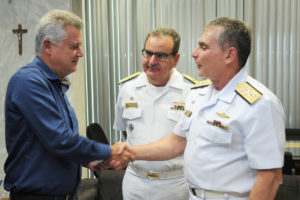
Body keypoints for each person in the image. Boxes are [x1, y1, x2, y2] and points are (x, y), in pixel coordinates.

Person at [116, 17, 286, 200]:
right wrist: (127, 152)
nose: (194, 53)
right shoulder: (198, 94)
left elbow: (270, 178)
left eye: (203, 47)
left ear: (229, 55)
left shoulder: (260, 104)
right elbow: (177, 142)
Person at [4, 9, 133, 200]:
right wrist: (110, 151)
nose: (80, 53)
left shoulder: (55, 84)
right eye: (74, 47)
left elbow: (50, 146)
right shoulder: (29, 82)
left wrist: (89, 160)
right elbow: (60, 140)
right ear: (48, 46)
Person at [114, 27, 198, 200]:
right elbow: (126, 131)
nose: (152, 61)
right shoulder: (127, 88)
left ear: (175, 59)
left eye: (161, 55)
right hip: (135, 183)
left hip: (175, 185)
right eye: (148, 53)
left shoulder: (192, 91)